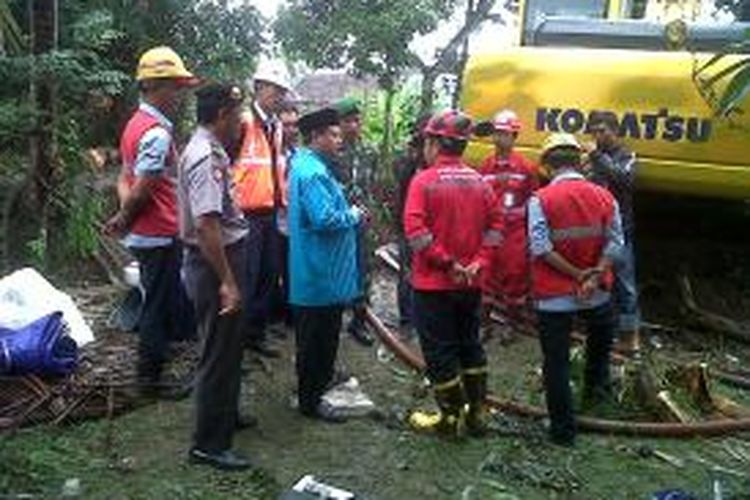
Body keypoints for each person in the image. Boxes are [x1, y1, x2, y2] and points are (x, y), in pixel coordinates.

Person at [104, 46, 197, 397]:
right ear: (155, 86)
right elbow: (142, 189)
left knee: (161, 299)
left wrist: (122, 216)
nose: (179, 94)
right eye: (175, 86)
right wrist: (127, 216)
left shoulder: (135, 124)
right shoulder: (156, 132)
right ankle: (151, 379)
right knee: (156, 305)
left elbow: (125, 177)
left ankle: (159, 361)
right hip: (157, 233)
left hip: (147, 232)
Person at [404, 110, 503, 437]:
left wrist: (449, 264)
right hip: (471, 283)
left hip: (434, 285)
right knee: (469, 344)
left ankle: (449, 420)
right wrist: (478, 263)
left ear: (433, 142)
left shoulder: (423, 181)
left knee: (440, 351)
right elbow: (496, 229)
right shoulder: (481, 183)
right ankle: (477, 414)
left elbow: (416, 232)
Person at [528, 133, 623, 447]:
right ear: (580, 161)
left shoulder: (539, 200)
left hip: (554, 297)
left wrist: (576, 274)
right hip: (596, 292)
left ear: (547, 166)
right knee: (600, 346)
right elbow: (615, 245)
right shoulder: (605, 197)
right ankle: (596, 399)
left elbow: (540, 248)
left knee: (555, 363)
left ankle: (563, 433)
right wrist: (593, 276)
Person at [179, 83, 251, 470]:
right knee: (217, 353)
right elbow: (207, 226)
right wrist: (227, 280)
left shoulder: (210, 148)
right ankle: (208, 444)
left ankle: (225, 415)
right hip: (213, 263)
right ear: (223, 113)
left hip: (220, 257)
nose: (241, 122)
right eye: (237, 114)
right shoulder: (205, 156)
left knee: (227, 346)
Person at [288, 107, 362, 423]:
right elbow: (325, 219)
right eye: (332, 134)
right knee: (317, 339)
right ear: (315, 136)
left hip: (317, 270)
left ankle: (317, 385)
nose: (338, 139)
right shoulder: (313, 172)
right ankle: (311, 400)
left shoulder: (308, 164)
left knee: (317, 337)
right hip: (320, 274)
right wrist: (355, 215)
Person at [233, 59, 293, 358]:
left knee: (268, 276)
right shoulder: (242, 122)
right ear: (258, 88)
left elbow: (275, 166)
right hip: (245, 213)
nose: (279, 95)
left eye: (282, 90)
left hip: (270, 211)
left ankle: (256, 334)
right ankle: (238, 341)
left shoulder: (276, 126)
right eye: (274, 89)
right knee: (247, 276)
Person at [478, 110, 539, 323]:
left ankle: (511, 324)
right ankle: (483, 323)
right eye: (496, 133)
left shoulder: (526, 167)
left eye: (504, 133)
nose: (499, 138)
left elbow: (533, 201)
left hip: (515, 232)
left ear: (514, 137)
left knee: (515, 275)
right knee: (486, 275)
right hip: (490, 230)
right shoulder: (485, 165)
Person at [588, 112, 641, 354]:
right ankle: (605, 333)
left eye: (602, 130)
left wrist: (595, 156)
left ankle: (631, 338)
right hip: (595, 229)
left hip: (621, 230)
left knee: (625, 284)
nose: (597, 136)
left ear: (614, 131)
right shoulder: (592, 158)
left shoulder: (627, 156)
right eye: (594, 131)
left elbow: (624, 179)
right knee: (599, 280)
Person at [333, 97, 379, 347]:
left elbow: (372, 187)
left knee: (363, 269)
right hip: (338, 220)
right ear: (338, 124)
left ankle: (359, 320)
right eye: (348, 121)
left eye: (357, 120)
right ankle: (332, 316)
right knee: (336, 266)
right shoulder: (330, 153)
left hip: (361, 221)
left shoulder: (369, 151)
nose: (354, 125)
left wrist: (370, 212)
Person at [392, 114, 431, 339]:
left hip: (429, 225)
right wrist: (415, 154)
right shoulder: (408, 161)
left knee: (425, 271)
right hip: (407, 224)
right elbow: (400, 177)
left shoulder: (435, 160)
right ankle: (407, 320)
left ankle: (423, 318)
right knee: (406, 273)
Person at [272, 100, 300, 331]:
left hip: (293, 224)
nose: (291, 130)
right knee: (272, 271)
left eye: (294, 125)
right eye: (286, 125)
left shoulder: (298, 155)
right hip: (271, 222)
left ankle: (291, 316)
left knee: (292, 270)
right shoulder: (271, 155)